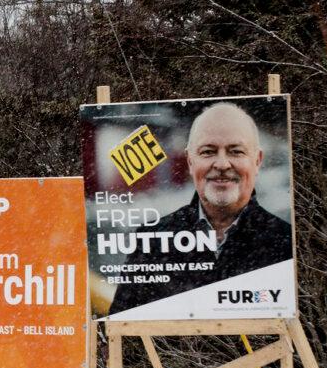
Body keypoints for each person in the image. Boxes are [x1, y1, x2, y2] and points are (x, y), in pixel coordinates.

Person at [109, 102, 292, 314]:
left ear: (257, 160)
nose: (222, 164)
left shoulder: (286, 242)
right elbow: (120, 335)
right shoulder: (151, 240)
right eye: (208, 152)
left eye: (236, 151)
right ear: (189, 161)